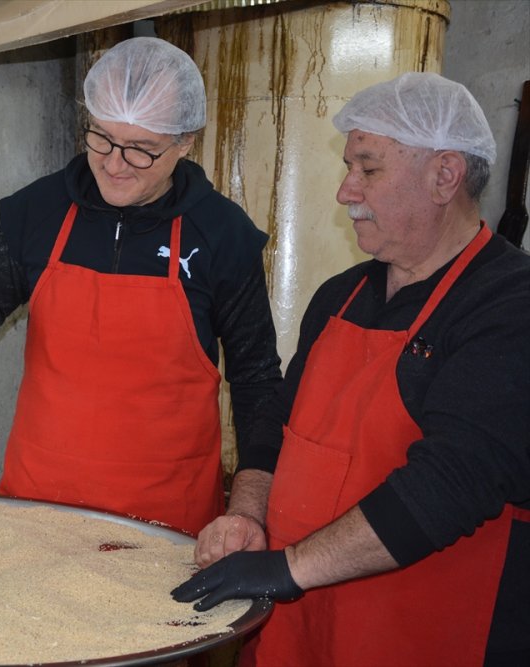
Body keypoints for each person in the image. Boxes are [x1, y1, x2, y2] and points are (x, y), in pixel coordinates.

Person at [171, 72, 530, 666]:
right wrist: (247, 514)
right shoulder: (340, 295)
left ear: (445, 176)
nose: (344, 191)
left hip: (422, 633)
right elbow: (275, 426)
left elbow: (452, 483)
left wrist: (289, 567)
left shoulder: (508, 304)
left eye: (368, 169)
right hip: (302, 622)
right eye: (349, 167)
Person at [0, 36, 282, 537]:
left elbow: (257, 380)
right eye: (102, 138)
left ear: (184, 142)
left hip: (165, 522)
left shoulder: (222, 235)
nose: (114, 164)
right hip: (38, 512)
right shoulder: (38, 212)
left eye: (141, 151)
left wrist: (246, 510)